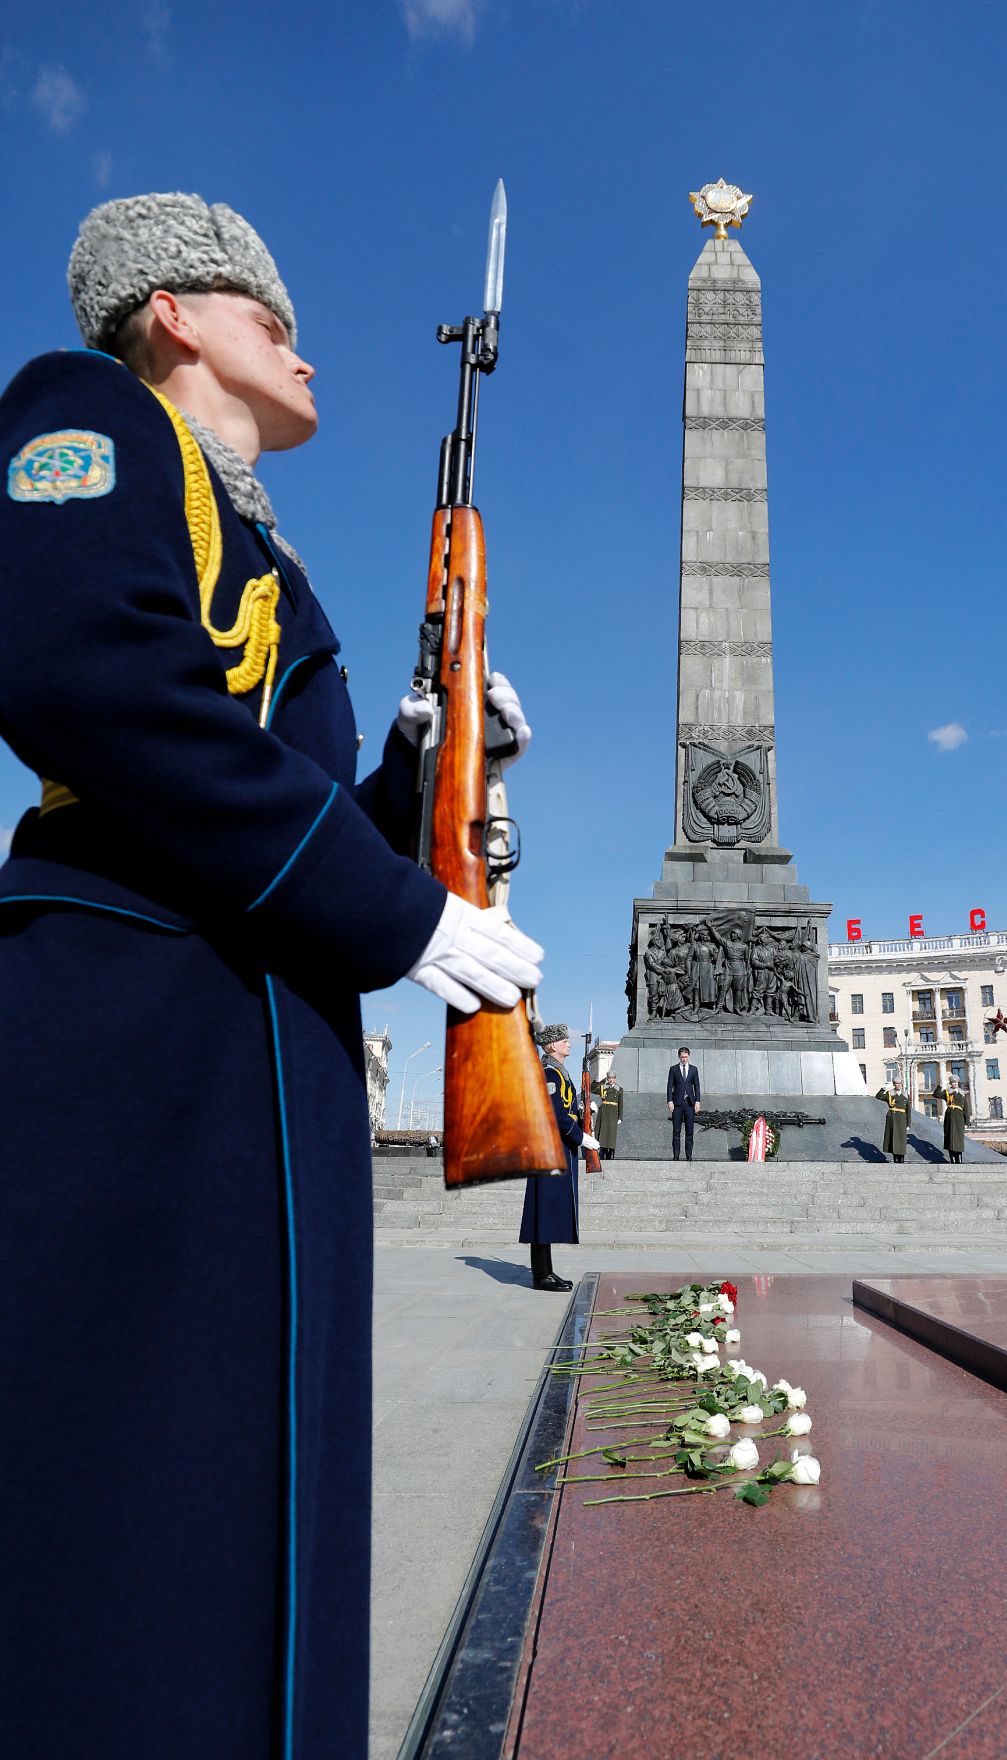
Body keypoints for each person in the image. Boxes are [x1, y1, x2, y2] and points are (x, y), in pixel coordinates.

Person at [0, 193, 544, 1760]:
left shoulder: (256, 541)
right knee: (132, 1506)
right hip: (139, 1039)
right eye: (274, 320)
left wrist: (423, 770)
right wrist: (398, 921)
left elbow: (258, 806)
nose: (306, 355)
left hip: (244, 1052)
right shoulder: (83, 415)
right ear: (174, 311)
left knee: (250, 1492)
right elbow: (89, 677)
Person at [520, 1022, 599, 1288]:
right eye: (565, 1040)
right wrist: (581, 1137)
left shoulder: (557, 1072)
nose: (569, 1043)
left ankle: (545, 1271)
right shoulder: (550, 1074)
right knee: (544, 1210)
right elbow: (555, 1114)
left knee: (548, 1211)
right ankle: (541, 1275)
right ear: (553, 1045)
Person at [667, 1045, 702, 1160]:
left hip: (689, 1104)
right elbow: (669, 1086)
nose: (684, 1059)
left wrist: (697, 1101)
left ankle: (689, 1155)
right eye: (682, 1057)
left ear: (689, 1056)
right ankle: (676, 1155)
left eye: (686, 1057)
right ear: (679, 1056)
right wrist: (669, 1101)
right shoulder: (673, 1069)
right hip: (677, 1103)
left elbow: (697, 1086)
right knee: (676, 1131)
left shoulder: (694, 1069)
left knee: (689, 1131)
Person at [933, 1080, 970, 1164]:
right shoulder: (947, 1093)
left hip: (959, 1119)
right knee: (950, 1138)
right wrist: (940, 1086)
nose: (955, 1084)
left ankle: (959, 1159)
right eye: (953, 1082)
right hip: (949, 1118)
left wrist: (966, 1122)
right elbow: (936, 1094)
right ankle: (952, 1159)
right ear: (950, 1084)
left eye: (956, 1082)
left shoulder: (962, 1095)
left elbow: (966, 1110)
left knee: (959, 1139)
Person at [875, 1078, 911, 1162]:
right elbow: (878, 1096)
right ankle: (895, 1158)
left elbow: (908, 1111)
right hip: (893, 1118)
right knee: (893, 1138)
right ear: (894, 1084)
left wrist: (908, 1124)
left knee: (901, 1139)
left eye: (900, 1083)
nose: (899, 1085)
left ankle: (901, 1158)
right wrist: (884, 1088)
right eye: (897, 1084)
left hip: (902, 1119)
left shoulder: (905, 1095)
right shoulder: (890, 1094)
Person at [596, 1072, 623, 1159]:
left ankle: (610, 1153)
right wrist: (603, 1081)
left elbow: (620, 1104)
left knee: (611, 1134)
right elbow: (593, 1087)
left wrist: (620, 1117)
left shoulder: (619, 1089)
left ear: (615, 1078)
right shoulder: (603, 1087)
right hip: (604, 1112)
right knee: (603, 1133)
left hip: (613, 1113)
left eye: (612, 1078)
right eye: (609, 1078)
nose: (611, 1080)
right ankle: (602, 1152)